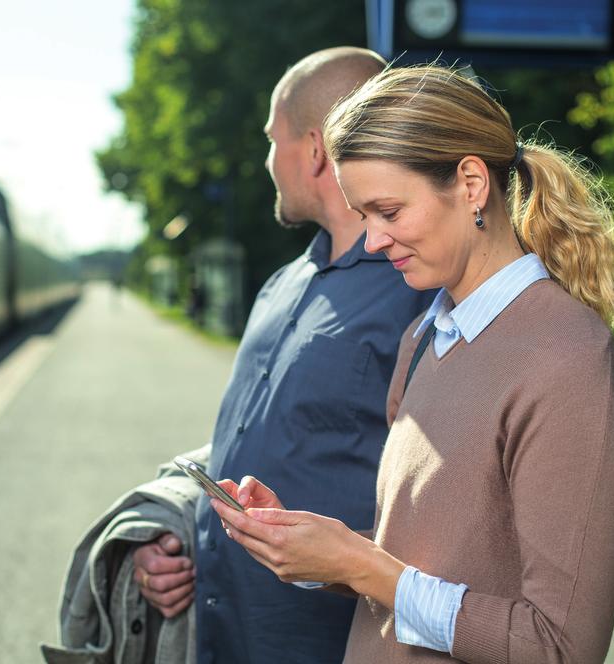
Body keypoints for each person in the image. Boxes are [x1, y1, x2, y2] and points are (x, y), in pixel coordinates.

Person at [211, 64, 614, 664]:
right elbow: (421, 564)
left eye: (388, 211)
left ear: (470, 183)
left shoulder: (570, 361)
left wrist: (361, 566)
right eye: (363, 216)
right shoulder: (424, 337)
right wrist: (316, 552)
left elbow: (557, 646)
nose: (373, 241)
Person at [131, 48, 434, 663]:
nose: (268, 161)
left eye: (275, 140)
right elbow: (256, 441)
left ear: (317, 149)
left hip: (326, 645)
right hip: (224, 635)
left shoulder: (420, 294)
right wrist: (173, 537)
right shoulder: (281, 285)